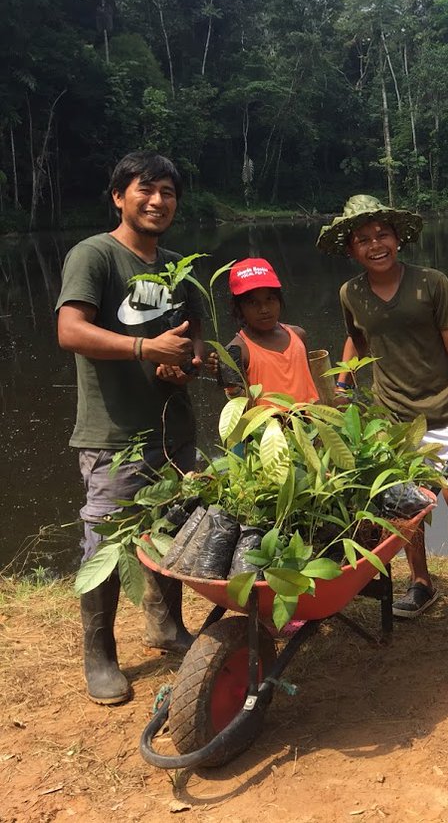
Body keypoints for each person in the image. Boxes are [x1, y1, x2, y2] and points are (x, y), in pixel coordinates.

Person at [57, 151, 205, 705]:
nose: (158, 201)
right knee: (108, 545)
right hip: (112, 434)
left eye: (168, 192)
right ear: (119, 195)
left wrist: (186, 365)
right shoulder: (95, 255)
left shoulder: (180, 269)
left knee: (170, 531)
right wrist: (144, 346)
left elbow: (192, 347)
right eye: (146, 189)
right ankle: (99, 655)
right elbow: (70, 330)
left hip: (173, 430)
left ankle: (166, 627)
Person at [319, 195, 448, 620]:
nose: (375, 244)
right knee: (407, 504)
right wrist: (343, 383)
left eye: (382, 234)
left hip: (445, 409)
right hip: (392, 417)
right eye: (363, 239)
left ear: (398, 238)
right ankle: (421, 583)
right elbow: (358, 339)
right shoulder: (351, 293)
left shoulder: (431, 282)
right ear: (351, 250)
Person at [216, 257, 319, 406]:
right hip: (271, 427)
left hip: (310, 424)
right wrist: (228, 379)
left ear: (279, 300)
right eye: (253, 303)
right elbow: (244, 406)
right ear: (239, 307)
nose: (264, 309)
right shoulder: (238, 349)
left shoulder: (298, 335)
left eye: (270, 299)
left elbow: (311, 386)